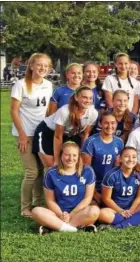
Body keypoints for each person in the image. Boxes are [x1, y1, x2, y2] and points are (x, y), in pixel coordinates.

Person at [11, 53, 53, 217]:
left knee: (41, 170)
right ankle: (25, 208)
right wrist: (22, 134)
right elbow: (14, 110)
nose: (42, 68)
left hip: (40, 133)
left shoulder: (48, 85)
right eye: (39, 65)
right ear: (31, 66)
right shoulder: (21, 84)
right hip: (25, 133)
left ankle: (38, 203)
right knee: (31, 172)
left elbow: (48, 109)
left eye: (45, 66)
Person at [31, 142, 99, 235]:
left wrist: (71, 214)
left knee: (94, 211)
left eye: (74, 155)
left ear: (79, 156)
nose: (71, 158)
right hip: (58, 213)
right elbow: (50, 201)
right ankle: (75, 228)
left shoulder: (87, 171)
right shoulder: (51, 173)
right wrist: (61, 215)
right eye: (67, 155)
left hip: (79, 212)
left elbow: (88, 198)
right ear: (61, 156)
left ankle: (56, 227)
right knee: (36, 211)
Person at [33, 87, 98, 168]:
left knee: (71, 164)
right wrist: (57, 160)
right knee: (52, 166)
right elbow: (57, 137)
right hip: (47, 132)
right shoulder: (64, 111)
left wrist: (81, 156)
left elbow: (85, 135)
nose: (88, 100)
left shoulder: (93, 113)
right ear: (76, 97)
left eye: (90, 98)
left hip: (68, 134)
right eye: (84, 97)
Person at [97, 147, 140, 230]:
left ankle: (118, 227)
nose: (130, 159)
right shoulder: (111, 175)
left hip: (132, 208)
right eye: (126, 156)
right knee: (101, 214)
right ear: (120, 159)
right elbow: (106, 198)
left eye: (134, 157)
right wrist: (121, 211)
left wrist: (132, 210)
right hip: (115, 210)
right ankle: (137, 220)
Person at [81, 112, 124, 204]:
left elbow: (119, 167)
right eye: (106, 123)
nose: (109, 126)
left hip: (111, 185)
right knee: (94, 209)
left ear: (116, 124)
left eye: (113, 123)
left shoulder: (119, 142)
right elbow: (85, 170)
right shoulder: (91, 142)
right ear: (100, 124)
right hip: (94, 186)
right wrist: (95, 193)